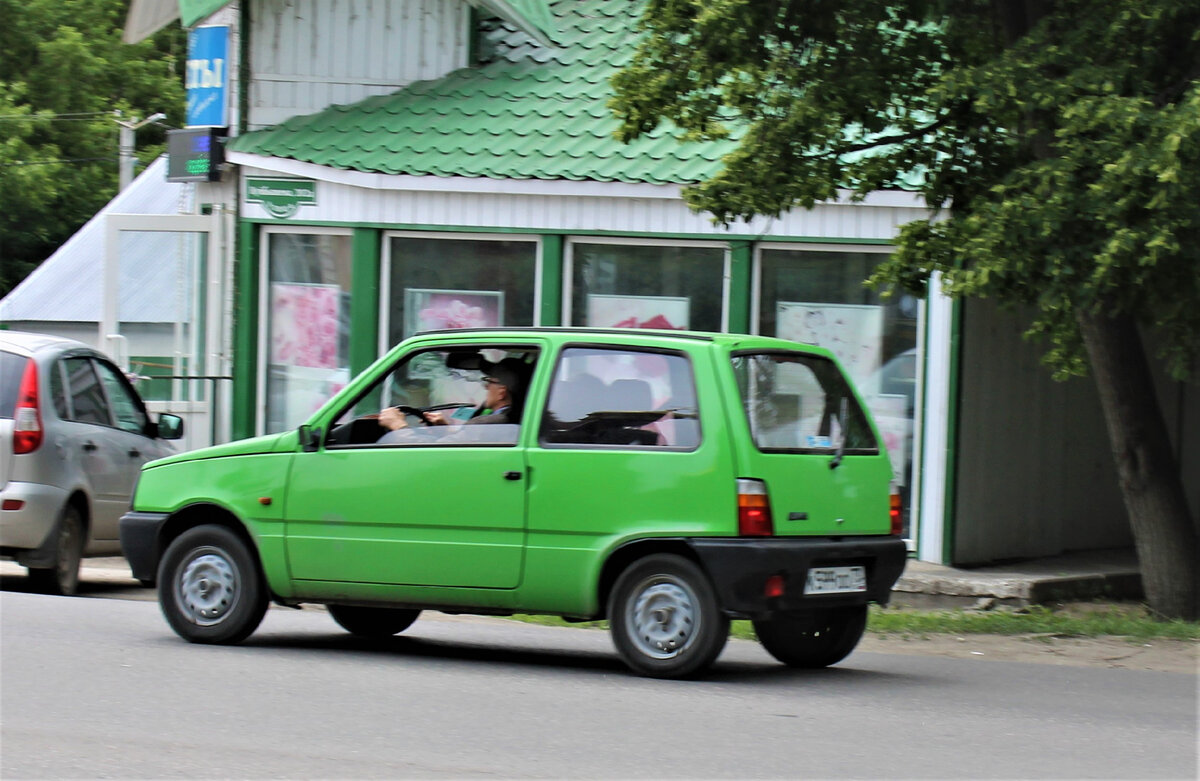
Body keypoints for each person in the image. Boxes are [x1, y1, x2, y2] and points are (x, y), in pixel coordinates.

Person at [377, 358, 525, 434]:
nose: (485, 386)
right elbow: (462, 444)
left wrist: (399, 425)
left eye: (489, 382)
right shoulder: (509, 420)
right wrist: (445, 429)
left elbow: (433, 455)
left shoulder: (489, 423)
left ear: (502, 392)